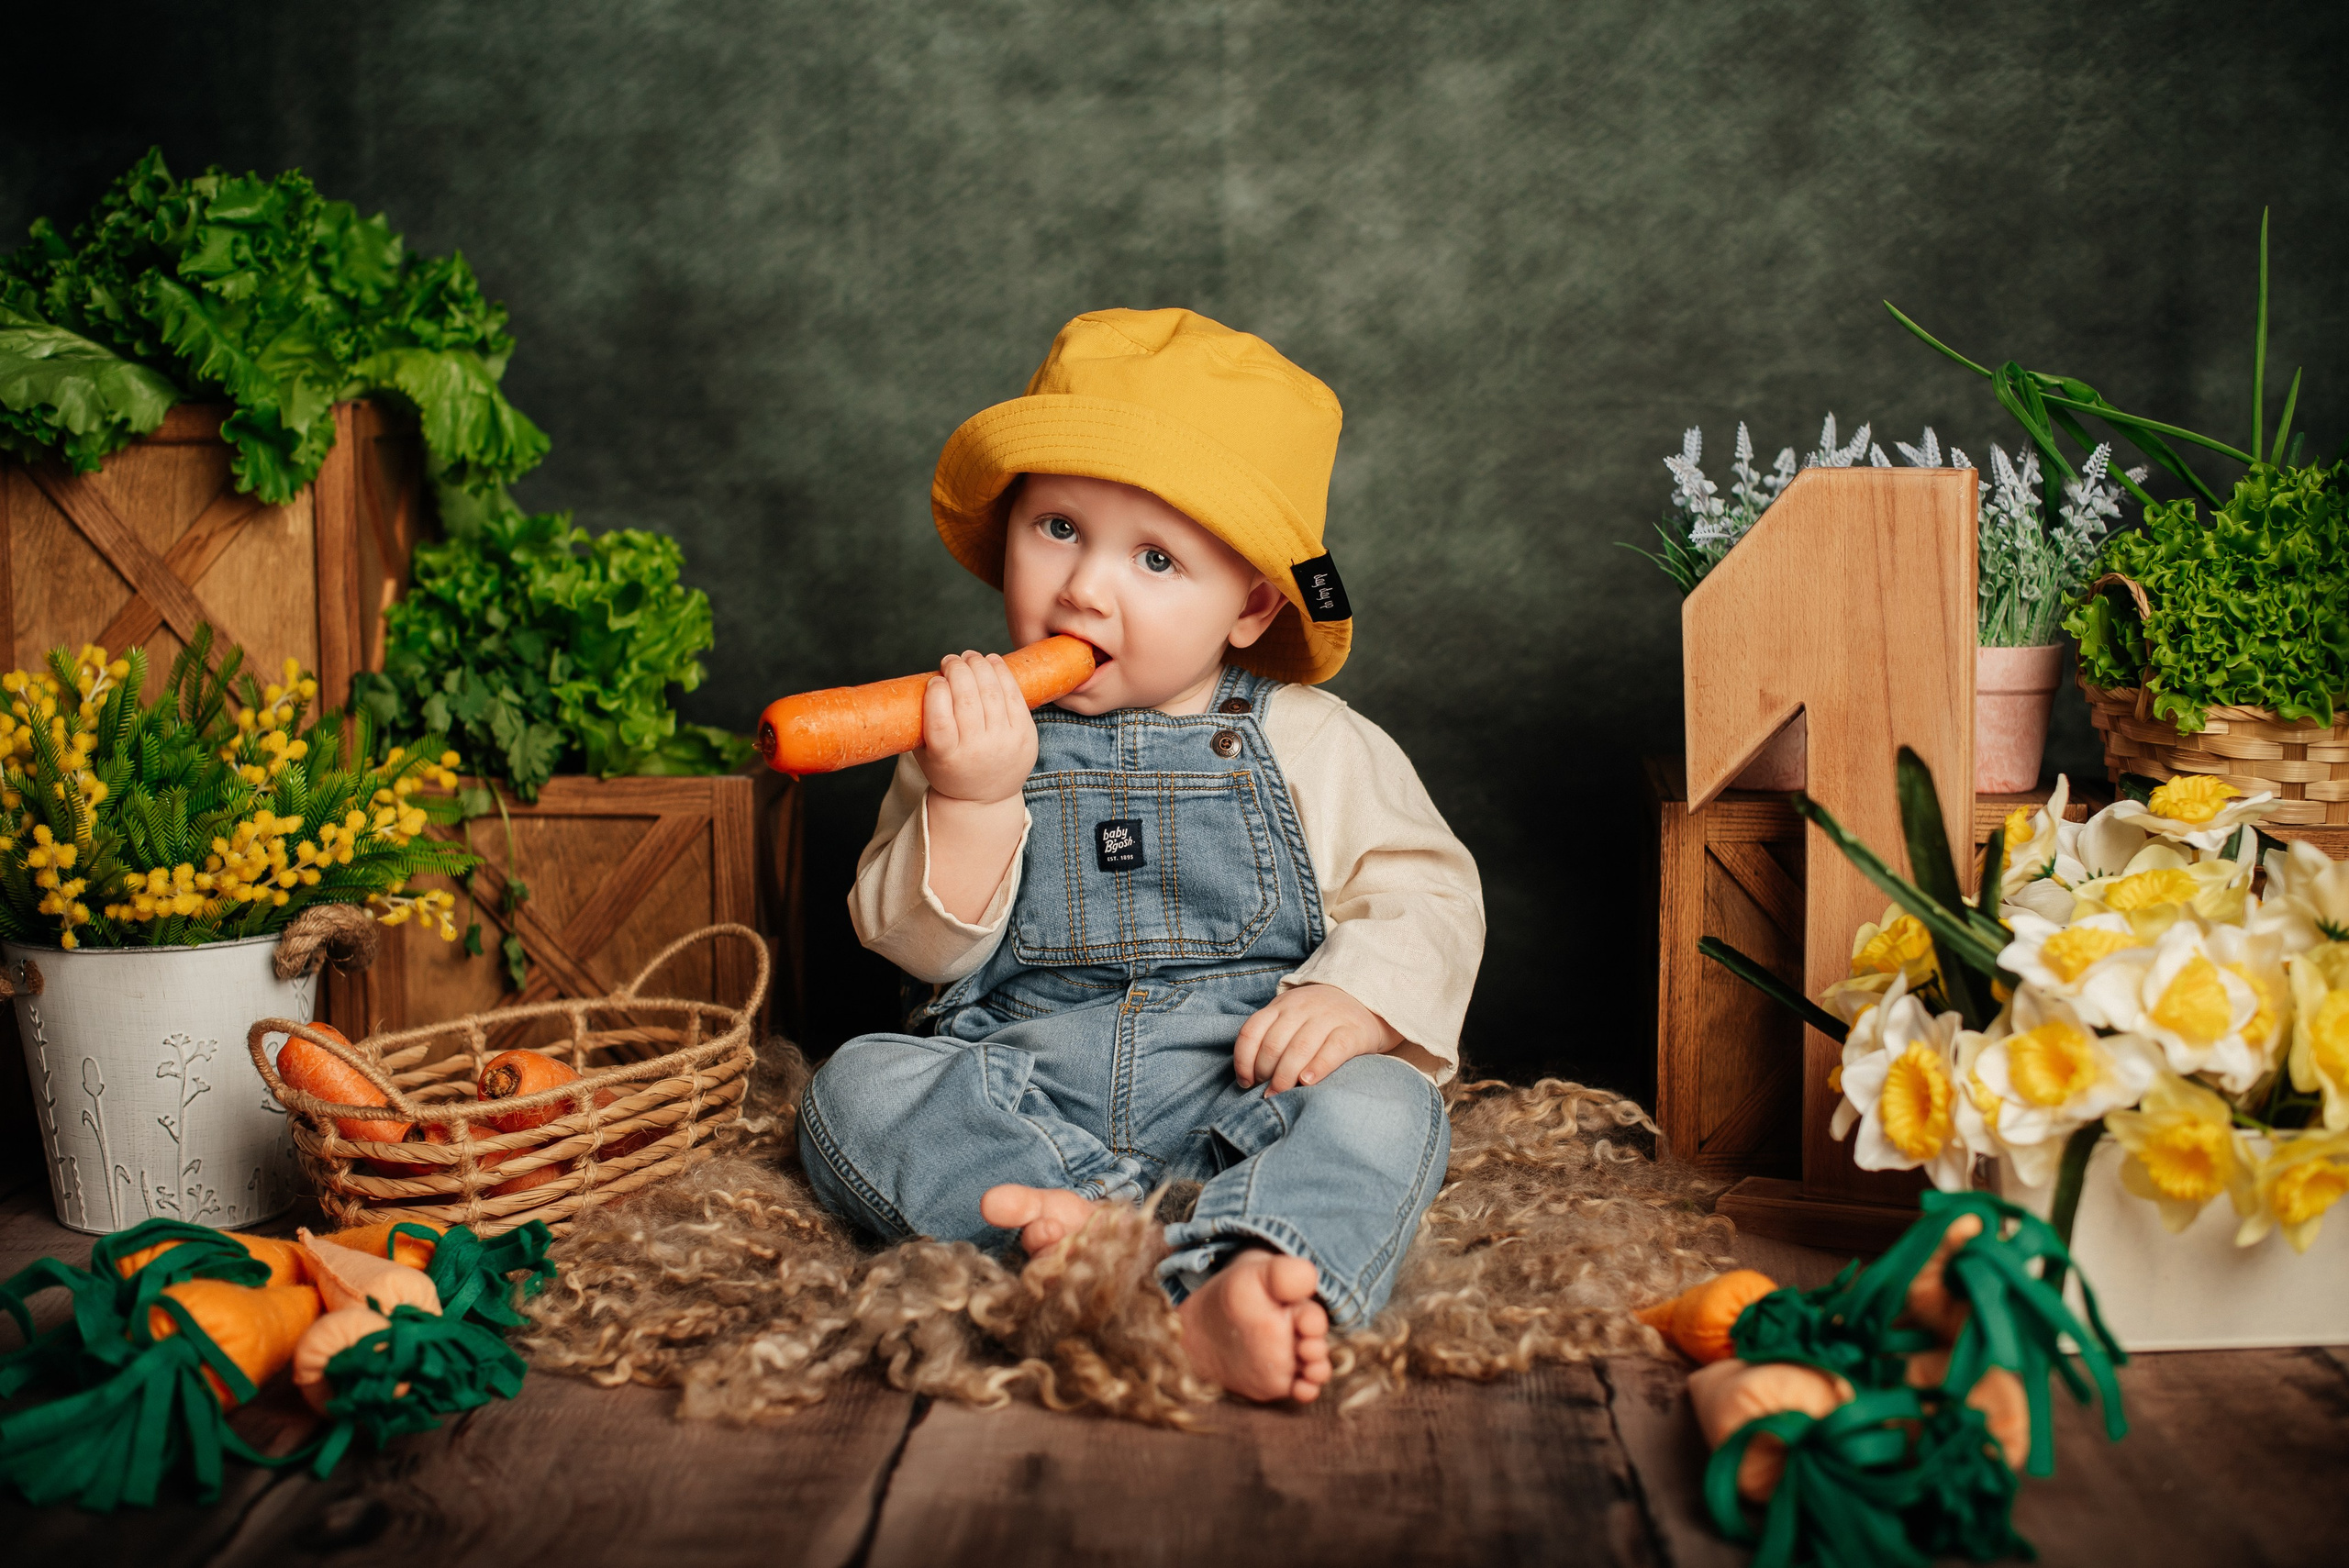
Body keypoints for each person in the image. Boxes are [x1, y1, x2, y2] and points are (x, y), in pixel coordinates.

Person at [797, 308, 1484, 1403]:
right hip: (1025, 1087)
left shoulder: (1312, 739)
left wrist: (1356, 999)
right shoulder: (964, 730)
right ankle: (1095, 1246)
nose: (1083, 589)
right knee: (858, 1084)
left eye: (1155, 557)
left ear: (1254, 602)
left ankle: (1254, 1264)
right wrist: (971, 791)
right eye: (1058, 526)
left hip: (1244, 1085)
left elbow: (1427, 890)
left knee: (1387, 1108)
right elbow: (918, 948)